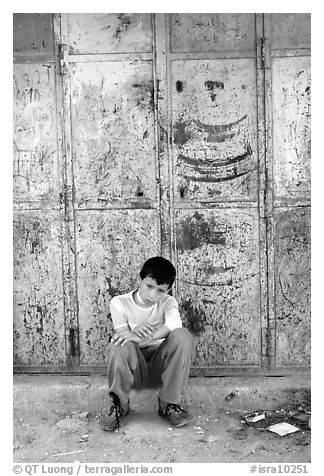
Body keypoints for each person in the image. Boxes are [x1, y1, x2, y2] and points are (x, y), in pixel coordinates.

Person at [99, 256, 194, 431]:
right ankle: (120, 404)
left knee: (183, 336)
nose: (153, 295)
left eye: (161, 290)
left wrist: (142, 337)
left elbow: (174, 325)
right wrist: (133, 334)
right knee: (117, 344)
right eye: (149, 286)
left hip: (162, 368)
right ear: (140, 279)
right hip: (135, 371)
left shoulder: (168, 302)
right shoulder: (119, 303)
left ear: (168, 290)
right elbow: (123, 335)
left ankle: (168, 404)